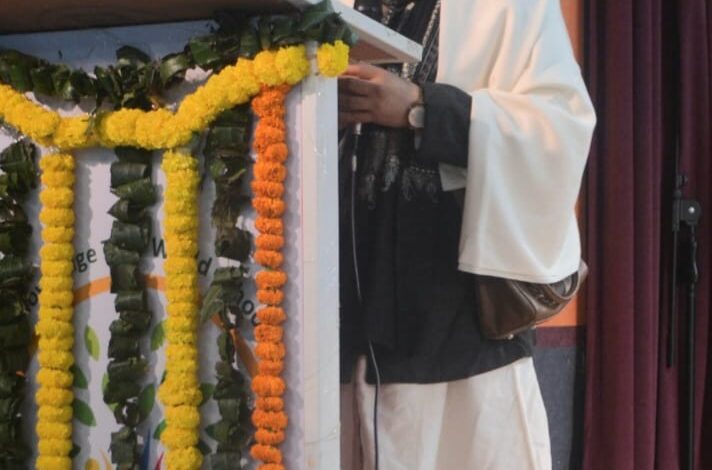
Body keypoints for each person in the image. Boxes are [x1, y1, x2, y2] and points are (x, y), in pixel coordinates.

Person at [337, 0, 596, 468]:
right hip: (336, 321)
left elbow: (560, 130)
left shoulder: (508, 6)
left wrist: (422, 108)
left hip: (458, 331)